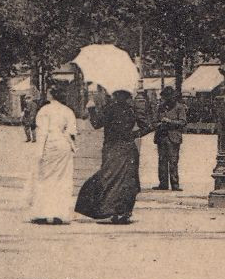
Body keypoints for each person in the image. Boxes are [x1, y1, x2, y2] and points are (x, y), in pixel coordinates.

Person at [74, 87, 151, 224]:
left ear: (115, 95)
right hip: (127, 149)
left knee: (109, 177)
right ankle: (124, 212)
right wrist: (133, 135)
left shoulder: (109, 109)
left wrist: (91, 109)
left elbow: (96, 124)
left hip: (112, 148)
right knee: (127, 180)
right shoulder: (131, 110)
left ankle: (111, 210)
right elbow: (147, 126)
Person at [27, 84, 77, 224]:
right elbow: (72, 132)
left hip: (50, 144)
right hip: (63, 145)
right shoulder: (67, 111)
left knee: (45, 178)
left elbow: (42, 132)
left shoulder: (45, 110)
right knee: (62, 179)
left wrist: (39, 152)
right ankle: (59, 214)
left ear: (51, 94)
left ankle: (42, 213)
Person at [152, 86, 187, 191]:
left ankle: (175, 184)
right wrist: (159, 124)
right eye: (165, 98)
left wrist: (169, 121)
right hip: (161, 137)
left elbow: (183, 122)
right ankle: (163, 184)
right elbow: (154, 122)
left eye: (168, 98)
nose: (166, 100)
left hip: (173, 138)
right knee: (162, 161)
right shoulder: (160, 107)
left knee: (173, 161)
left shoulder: (179, 107)